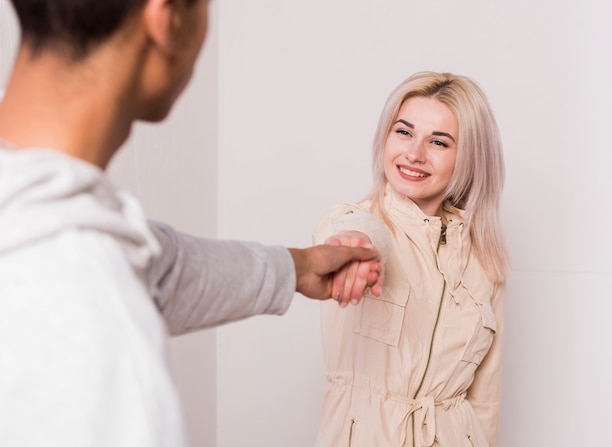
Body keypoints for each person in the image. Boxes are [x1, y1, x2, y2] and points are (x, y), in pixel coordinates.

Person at [0, 0, 384, 445]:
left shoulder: (34, 206)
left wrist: (295, 266)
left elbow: (156, 267)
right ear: (167, 18)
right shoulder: (97, 330)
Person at [313, 71, 510, 447]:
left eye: (438, 141)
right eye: (403, 132)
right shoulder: (359, 221)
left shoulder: (486, 259)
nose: (414, 153)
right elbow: (346, 233)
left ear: (468, 157)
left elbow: (486, 399)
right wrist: (351, 247)